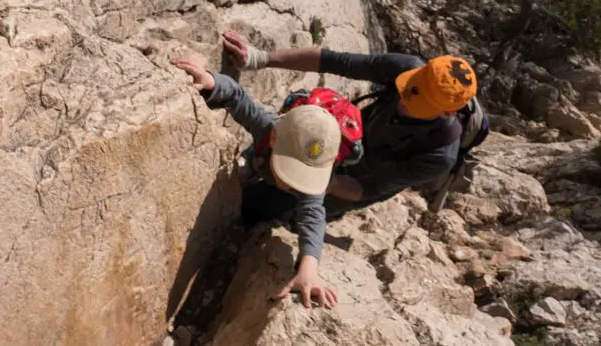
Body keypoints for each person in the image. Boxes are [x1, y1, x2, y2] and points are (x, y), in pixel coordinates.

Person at [220, 30, 479, 217]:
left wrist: (317, 181)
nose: (403, 100)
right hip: (349, 136)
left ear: (446, 114)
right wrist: (259, 58)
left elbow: (368, 188)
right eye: (409, 89)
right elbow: (333, 60)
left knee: (266, 207)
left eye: (416, 104)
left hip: (360, 177)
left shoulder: (438, 155)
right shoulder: (408, 68)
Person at [171, 56, 340, 309]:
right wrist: (212, 81)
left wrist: (308, 269)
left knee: (261, 207)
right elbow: (238, 98)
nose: (296, 183)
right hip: (257, 166)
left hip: (269, 184)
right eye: (292, 171)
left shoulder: (306, 185)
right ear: (273, 139)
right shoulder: (268, 127)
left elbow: (313, 215)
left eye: (303, 176)